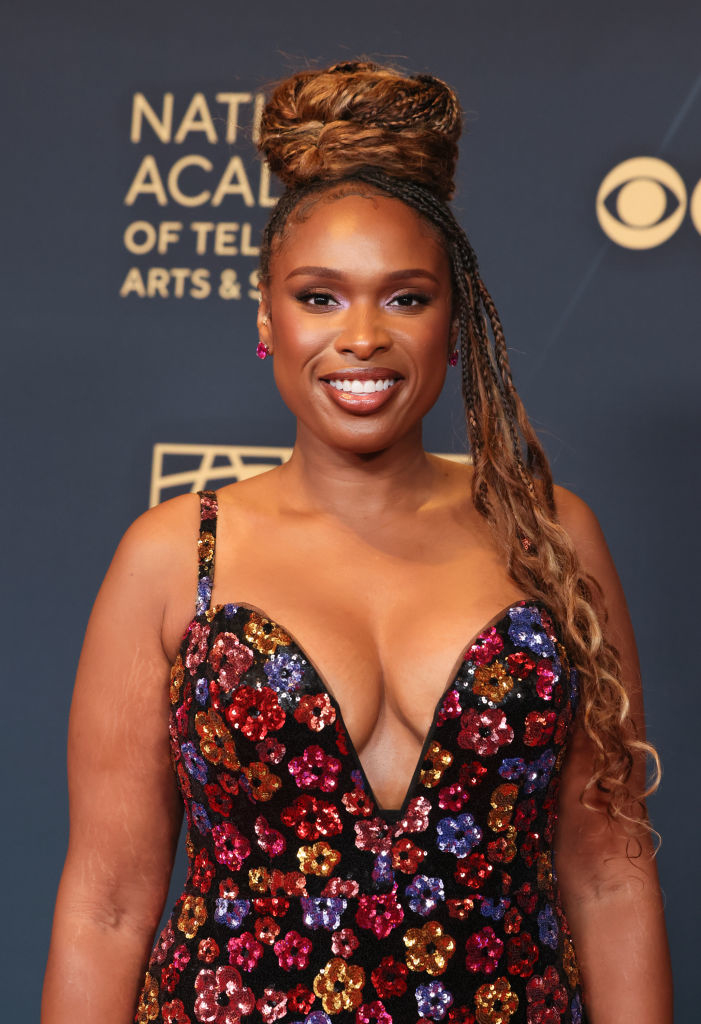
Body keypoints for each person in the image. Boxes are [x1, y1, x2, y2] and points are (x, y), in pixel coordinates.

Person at [41, 61, 672, 1024]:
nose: (363, 337)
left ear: (454, 321)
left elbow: (610, 877)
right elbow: (109, 904)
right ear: (266, 316)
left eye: (406, 298)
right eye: (320, 297)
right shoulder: (175, 556)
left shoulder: (549, 535)